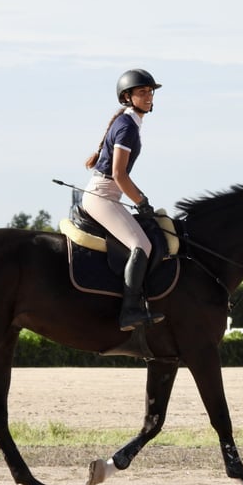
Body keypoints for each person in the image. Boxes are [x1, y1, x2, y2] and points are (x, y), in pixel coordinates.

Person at [83, 69, 165, 332]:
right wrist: (141, 201)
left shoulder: (130, 123)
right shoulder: (127, 126)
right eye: (142, 92)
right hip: (103, 195)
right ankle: (129, 311)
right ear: (127, 97)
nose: (149, 96)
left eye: (150, 91)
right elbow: (118, 174)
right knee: (141, 245)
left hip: (110, 194)